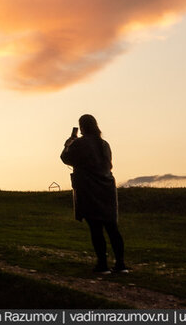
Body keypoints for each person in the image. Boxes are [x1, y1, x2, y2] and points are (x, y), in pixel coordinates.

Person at [61, 114, 127, 274]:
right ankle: (120, 264)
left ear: (82, 127)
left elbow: (65, 158)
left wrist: (68, 143)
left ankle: (102, 265)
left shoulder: (80, 143)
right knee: (112, 228)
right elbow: (108, 165)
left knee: (96, 228)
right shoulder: (104, 144)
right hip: (107, 188)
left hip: (90, 189)